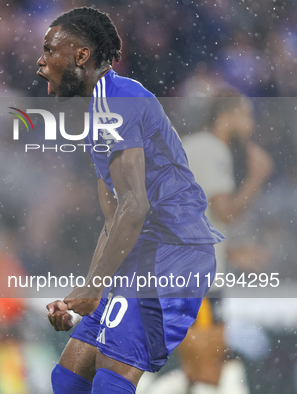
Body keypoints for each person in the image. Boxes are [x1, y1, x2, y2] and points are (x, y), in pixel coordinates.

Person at [37, 7, 224, 393]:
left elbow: (134, 207)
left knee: (110, 380)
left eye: (49, 49)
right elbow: (114, 220)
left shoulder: (117, 100)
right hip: (141, 254)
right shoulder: (99, 110)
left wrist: (93, 287)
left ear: (81, 56)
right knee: (69, 378)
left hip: (173, 253)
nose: (41, 61)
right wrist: (87, 292)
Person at [175, 91, 273, 394]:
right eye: (246, 115)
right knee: (208, 373)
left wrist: (228, 250)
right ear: (226, 116)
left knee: (195, 372)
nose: (251, 125)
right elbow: (224, 212)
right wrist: (257, 177)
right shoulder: (213, 149)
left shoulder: (190, 146)